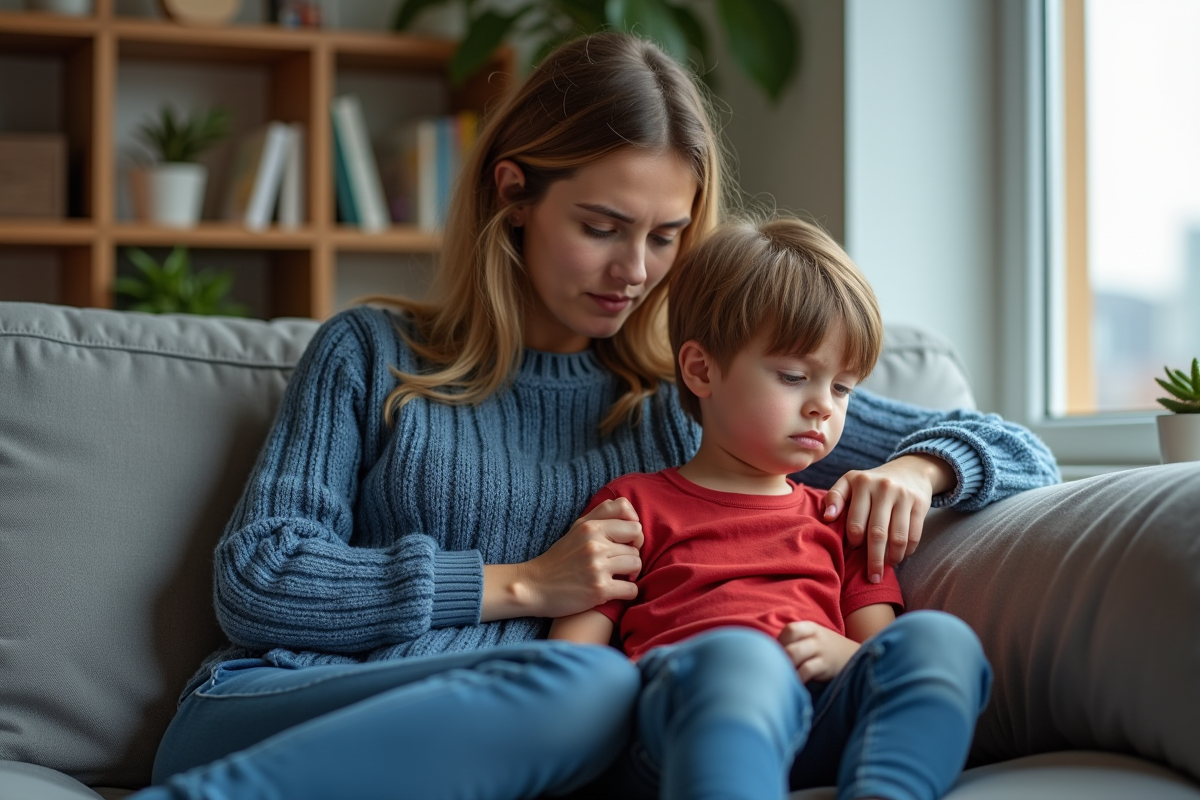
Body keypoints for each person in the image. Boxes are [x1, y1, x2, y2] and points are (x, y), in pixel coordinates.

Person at [134, 32, 1056, 800]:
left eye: (666, 237)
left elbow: (1018, 451)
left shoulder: (687, 396)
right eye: (603, 227)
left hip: (549, 728)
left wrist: (919, 470)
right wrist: (524, 586)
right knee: (586, 685)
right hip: (281, 703)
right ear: (514, 194)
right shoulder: (373, 353)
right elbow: (260, 577)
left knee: (599, 691)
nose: (637, 271)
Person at [549, 216, 993, 800]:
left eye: (842, 388)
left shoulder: (842, 516)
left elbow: (875, 649)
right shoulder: (633, 507)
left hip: (816, 722)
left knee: (942, 640)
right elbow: (571, 668)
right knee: (741, 660)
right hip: (678, 732)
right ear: (701, 370)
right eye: (793, 376)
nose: (822, 408)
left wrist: (845, 655)